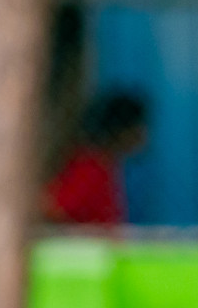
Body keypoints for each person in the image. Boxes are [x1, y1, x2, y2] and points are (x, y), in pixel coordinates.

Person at [46, 91, 148, 225]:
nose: (145, 136)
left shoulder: (106, 165)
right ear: (123, 131)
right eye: (139, 128)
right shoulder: (90, 167)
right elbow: (53, 209)